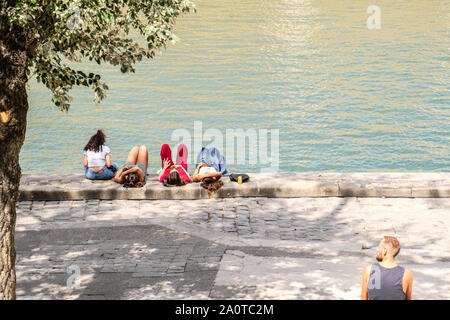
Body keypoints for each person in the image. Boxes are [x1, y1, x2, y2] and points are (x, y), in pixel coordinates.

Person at [361, 236, 413, 300]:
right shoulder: (406, 274)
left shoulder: (369, 270)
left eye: (379, 247)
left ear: (384, 250)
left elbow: (363, 298)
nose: (377, 250)